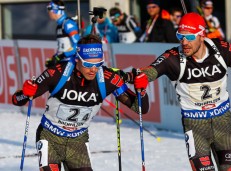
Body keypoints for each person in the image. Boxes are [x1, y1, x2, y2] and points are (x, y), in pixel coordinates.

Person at [124, 12, 231, 171]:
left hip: (223, 122)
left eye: (190, 37)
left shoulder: (222, 50)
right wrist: (137, 77)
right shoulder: (174, 57)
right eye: (180, 36)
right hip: (194, 125)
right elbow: (148, 72)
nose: (184, 42)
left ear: (202, 35)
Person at [12, 34, 149, 171]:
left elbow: (141, 108)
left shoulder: (107, 79)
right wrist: (26, 92)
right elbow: (17, 100)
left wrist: (141, 90)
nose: (93, 69)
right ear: (77, 59)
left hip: (78, 141)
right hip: (50, 136)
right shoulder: (58, 73)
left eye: (98, 64)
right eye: (88, 64)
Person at [45, 0, 80, 68]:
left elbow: (78, 46)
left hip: (71, 63)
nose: (48, 12)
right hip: (63, 62)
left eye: (49, 9)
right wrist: (54, 58)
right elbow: (62, 48)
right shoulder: (59, 25)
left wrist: (62, 56)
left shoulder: (68, 24)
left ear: (55, 10)